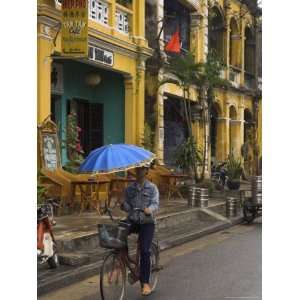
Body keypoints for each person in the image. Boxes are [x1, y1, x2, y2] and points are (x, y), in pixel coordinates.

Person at [121, 164, 159, 296]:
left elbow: (155, 203)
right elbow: (126, 205)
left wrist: (150, 209)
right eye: (137, 169)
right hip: (133, 220)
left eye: (142, 168)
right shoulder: (129, 189)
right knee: (118, 233)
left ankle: (146, 283)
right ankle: (122, 259)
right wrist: (123, 204)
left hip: (147, 222)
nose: (139, 171)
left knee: (144, 250)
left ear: (146, 171)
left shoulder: (152, 188)